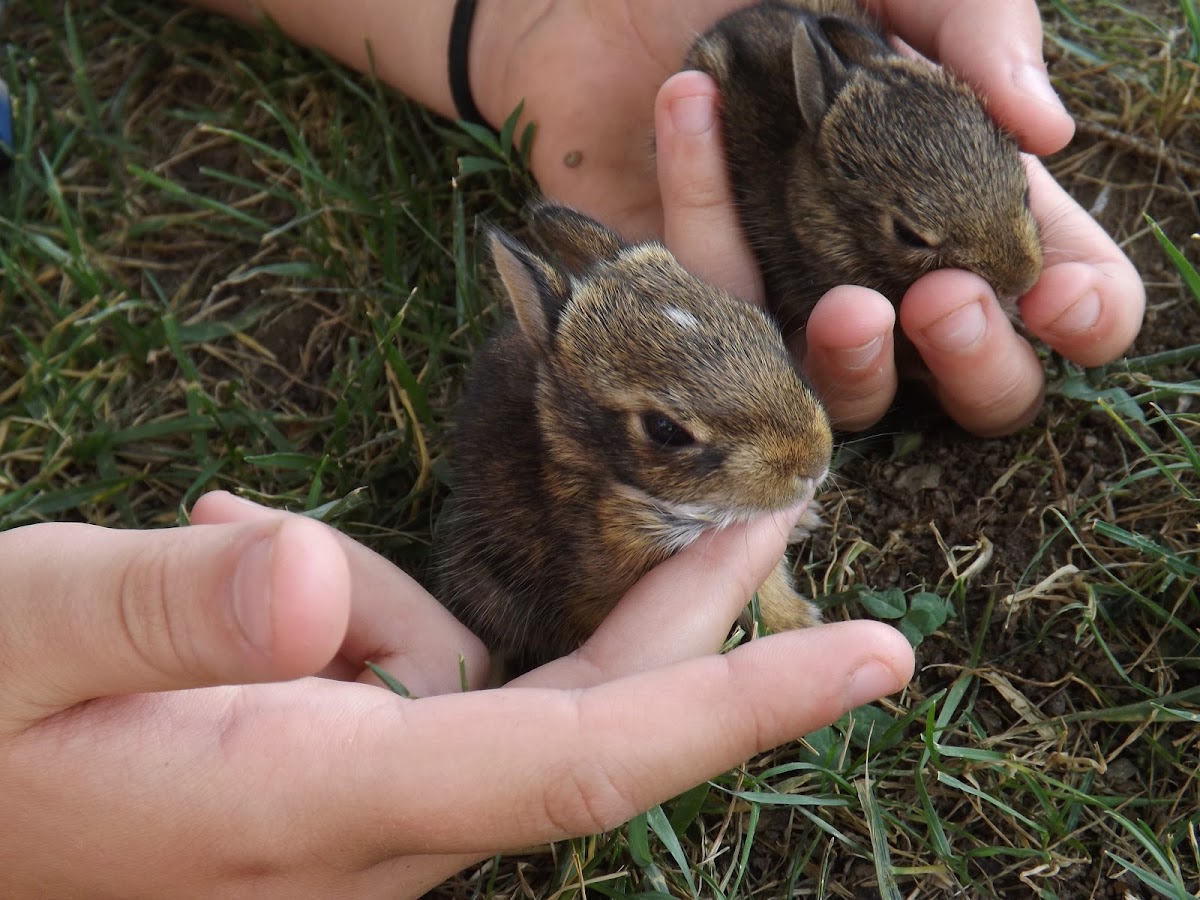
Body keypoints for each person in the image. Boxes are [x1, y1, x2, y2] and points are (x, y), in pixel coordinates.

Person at [0, 1, 1144, 896]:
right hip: (533, 587)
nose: (810, 447)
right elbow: (601, 576)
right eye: (679, 434)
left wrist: (511, 25)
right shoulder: (588, 480)